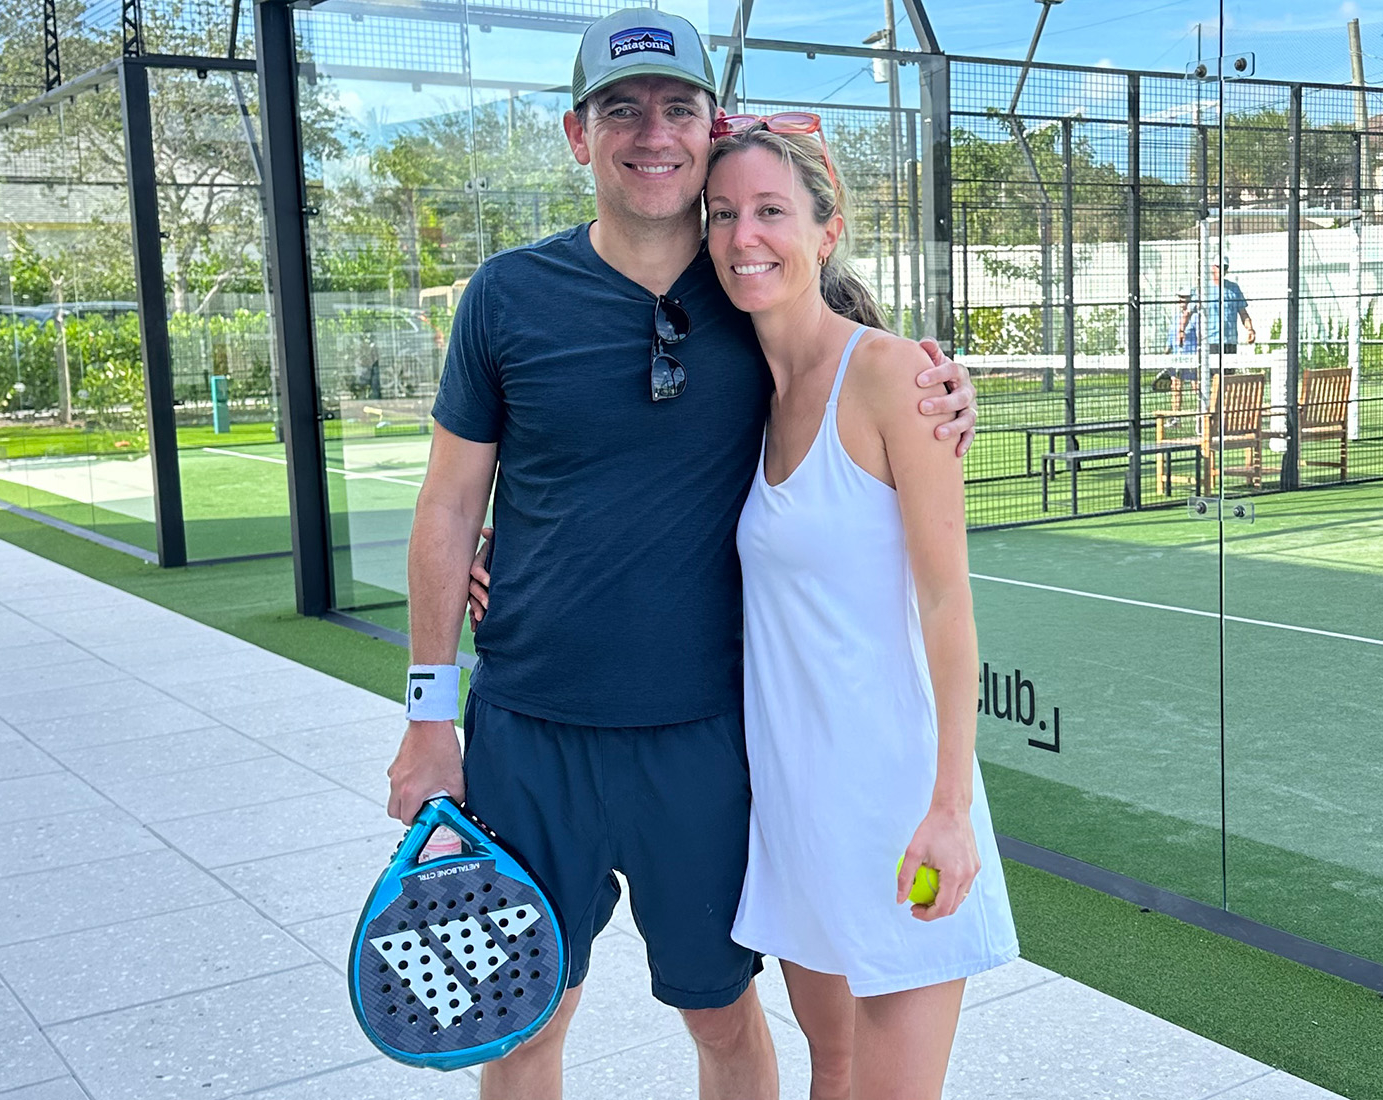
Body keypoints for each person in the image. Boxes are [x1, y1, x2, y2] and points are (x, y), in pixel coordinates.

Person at [385, 9, 975, 1100]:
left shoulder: (752, 289)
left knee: (720, 1016)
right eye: (621, 109)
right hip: (529, 730)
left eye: (677, 108)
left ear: (709, 127)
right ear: (577, 135)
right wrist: (429, 709)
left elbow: (857, 360)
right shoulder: (506, 296)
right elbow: (447, 505)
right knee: (519, 1023)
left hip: (706, 741)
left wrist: (944, 384)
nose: (650, 131)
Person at [707, 116, 1018, 1100]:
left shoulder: (891, 376)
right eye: (723, 214)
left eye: (770, 210)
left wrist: (948, 810)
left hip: (901, 814)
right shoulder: (745, 392)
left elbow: (946, 602)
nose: (745, 235)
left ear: (825, 228)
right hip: (800, 814)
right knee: (829, 1069)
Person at [1201, 257, 1257, 355]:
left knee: (1230, 369)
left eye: (1225, 267)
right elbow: (1189, 311)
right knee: (1215, 370)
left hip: (1230, 340)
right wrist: (1181, 330)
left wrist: (1250, 329)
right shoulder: (1205, 289)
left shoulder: (1234, 288)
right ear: (1213, 268)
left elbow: (1243, 313)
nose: (1222, 270)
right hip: (1211, 340)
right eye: (1219, 267)